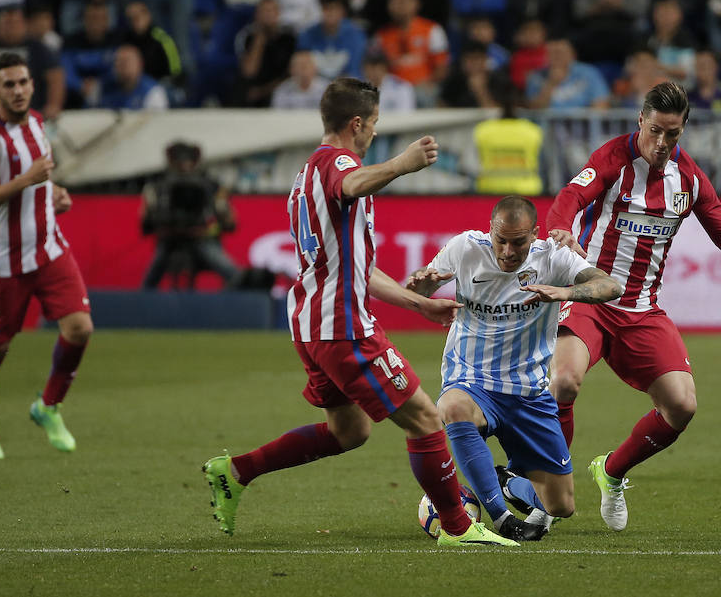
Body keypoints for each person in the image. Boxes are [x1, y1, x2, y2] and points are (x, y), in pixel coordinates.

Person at [202, 77, 519, 547]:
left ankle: (236, 472)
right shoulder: (340, 164)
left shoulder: (303, 176)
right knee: (427, 419)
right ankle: (457, 527)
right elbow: (351, 182)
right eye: (372, 125)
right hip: (343, 328)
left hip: (312, 326)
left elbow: (357, 268)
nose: (372, 133)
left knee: (349, 430)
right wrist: (403, 164)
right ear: (356, 123)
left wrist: (419, 303)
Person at [545, 81, 721, 531]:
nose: (661, 143)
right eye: (655, 130)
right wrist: (561, 227)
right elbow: (569, 197)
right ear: (640, 120)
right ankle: (549, 491)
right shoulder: (613, 158)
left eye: (672, 135)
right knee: (563, 380)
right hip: (591, 298)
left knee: (682, 406)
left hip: (642, 308)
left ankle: (612, 472)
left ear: (683, 131)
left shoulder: (690, 179)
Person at [406, 196, 622, 541]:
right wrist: (422, 282)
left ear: (534, 235)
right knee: (452, 406)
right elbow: (425, 284)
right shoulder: (465, 248)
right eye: (500, 240)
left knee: (561, 505)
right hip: (473, 382)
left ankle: (506, 482)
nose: (507, 251)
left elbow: (612, 286)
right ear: (490, 231)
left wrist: (563, 291)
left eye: (518, 242)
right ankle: (501, 517)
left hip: (528, 394)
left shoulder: (552, 256)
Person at [0, 52, 93, 459]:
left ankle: (48, 406)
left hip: (49, 249)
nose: (18, 91)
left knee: (79, 328)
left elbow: (39, 183)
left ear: (32, 84)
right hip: (5, 262)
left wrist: (54, 194)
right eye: (9, 85)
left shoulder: (37, 124)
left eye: (23, 83)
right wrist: (26, 181)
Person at [140, 140, 244, 290]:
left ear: (195, 162)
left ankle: (241, 296)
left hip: (202, 240)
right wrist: (152, 213)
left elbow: (230, 224)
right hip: (170, 242)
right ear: (171, 162)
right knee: (150, 280)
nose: (184, 166)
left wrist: (220, 211)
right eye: (179, 161)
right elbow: (146, 225)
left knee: (233, 274)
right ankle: (143, 302)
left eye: (188, 161)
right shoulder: (158, 188)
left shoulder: (210, 186)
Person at [99, 44, 169, 110]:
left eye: (125, 62)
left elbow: (157, 121)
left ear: (139, 64)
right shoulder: (106, 87)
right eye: (117, 62)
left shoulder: (153, 91)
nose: (121, 66)